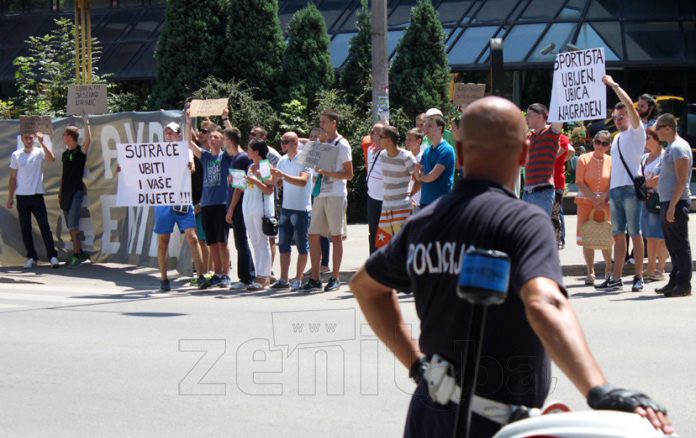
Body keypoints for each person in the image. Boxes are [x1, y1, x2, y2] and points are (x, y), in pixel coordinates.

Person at [350, 96, 673, 437]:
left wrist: (418, 366)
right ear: (523, 154)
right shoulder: (523, 223)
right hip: (492, 424)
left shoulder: (424, 224)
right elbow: (544, 302)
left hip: (429, 416)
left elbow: (365, 286)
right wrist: (597, 388)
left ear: (459, 154)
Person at [596, 75, 646, 292]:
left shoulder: (637, 131)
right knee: (618, 234)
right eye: (615, 117)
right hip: (616, 190)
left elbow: (628, 105)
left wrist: (613, 84)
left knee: (635, 232)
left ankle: (639, 276)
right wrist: (608, 192)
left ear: (630, 116)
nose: (617, 119)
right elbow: (616, 169)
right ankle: (616, 277)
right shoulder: (616, 139)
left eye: (621, 116)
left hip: (629, 190)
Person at [301, 109, 353, 293]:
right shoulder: (321, 143)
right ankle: (315, 278)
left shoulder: (342, 144)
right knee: (313, 234)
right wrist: (314, 150)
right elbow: (309, 166)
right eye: (320, 121)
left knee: (336, 236)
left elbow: (349, 174)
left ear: (333, 123)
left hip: (336, 194)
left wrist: (327, 172)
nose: (321, 125)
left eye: (324, 122)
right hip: (320, 194)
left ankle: (335, 277)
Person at [153, 122, 209, 291]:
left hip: (183, 200)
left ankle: (200, 276)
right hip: (164, 201)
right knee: (163, 240)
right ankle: (163, 279)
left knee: (192, 237)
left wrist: (190, 165)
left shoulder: (186, 150)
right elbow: (144, 170)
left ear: (179, 135)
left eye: (172, 133)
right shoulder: (157, 152)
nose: (168, 135)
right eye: (166, 133)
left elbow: (191, 162)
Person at [186, 112, 233, 288]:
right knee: (211, 241)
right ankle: (217, 273)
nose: (212, 139)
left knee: (223, 241)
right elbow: (189, 143)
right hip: (206, 204)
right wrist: (188, 120)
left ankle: (226, 275)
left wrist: (225, 119)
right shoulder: (205, 156)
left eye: (216, 137)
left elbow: (234, 139)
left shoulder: (225, 157)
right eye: (211, 137)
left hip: (221, 204)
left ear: (222, 141)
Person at [8, 130, 59, 269]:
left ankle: (52, 256)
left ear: (34, 139)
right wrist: (10, 197)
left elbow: (51, 159)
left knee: (44, 227)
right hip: (21, 197)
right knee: (25, 229)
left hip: (36, 195)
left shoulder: (39, 151)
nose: (29, 140)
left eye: (31, 138)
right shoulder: (16, 155)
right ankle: (32, 257)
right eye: (26, 138)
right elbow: (13, 177)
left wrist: (43, 143)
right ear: (22, 139)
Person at [655, 113, 693, 297]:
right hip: (667, 201)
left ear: (668, 128)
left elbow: (681, 179)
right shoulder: (670, 147)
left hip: (675, 203)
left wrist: (672, 206)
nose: (656, 131)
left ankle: (684, 284)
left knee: (679, 244)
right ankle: (674, 280)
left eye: (659, 127)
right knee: (672, 245)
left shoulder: (679, 148)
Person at [269, 132, 312, 291]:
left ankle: (298, 279)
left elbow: (303, 181)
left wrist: (282, 176)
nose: (282, 145)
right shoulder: (282, 160)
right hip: (287, 208)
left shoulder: (305, 158)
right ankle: (284, 279)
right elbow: (275, 182)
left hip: (301, 209)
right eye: (282, 142)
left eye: (285, 142)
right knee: (284, 246)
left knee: (302, 246)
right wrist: (257, 176)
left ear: (295, 143)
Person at [575, 131, 613, 285]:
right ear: (593, 142)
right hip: (585, 201)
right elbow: (579, 181)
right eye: (598, 142)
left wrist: (603, 196)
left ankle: (609, 271)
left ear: (608, 146)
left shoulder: (611, 160)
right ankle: (590, 272)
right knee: (587, 237)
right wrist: (593, 197)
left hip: (606, 202)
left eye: (604, 143)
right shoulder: (583, 158)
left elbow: (613, 181)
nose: (600, 146)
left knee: (607, 236)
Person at [240, 139, 276, 291]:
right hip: (248, 207)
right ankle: (259, 274)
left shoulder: (266, 166)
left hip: (260, 208)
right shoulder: (250, 166)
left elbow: (269, 189)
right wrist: (238, 182)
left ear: (256, 152)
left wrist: (257, 180)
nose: (247, 151)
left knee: (263, 242)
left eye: (248, 149)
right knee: (254, 241)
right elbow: (248, 188)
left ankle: (264, 276)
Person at [223, 127, 257, 290]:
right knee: (241, 242)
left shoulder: (240, 158)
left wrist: (230, 210)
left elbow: (240, 187)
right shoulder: (237, 158)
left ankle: (246, 277)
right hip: (239, 206)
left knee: (241, 242)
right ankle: (249, 274)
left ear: (229, 141)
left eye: (224, 139)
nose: (223, 143)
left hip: (240, 206)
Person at [375, 126, 417, 249]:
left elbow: (418, 179)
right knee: (382, 244)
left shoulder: (406, 157)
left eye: (381, 137)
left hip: (401, 207)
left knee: (403, 243)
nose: (378, 139)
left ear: (389, 140)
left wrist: (410, 194)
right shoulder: (382, 155)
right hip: (386, 207)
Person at [59, 113, 91, 268]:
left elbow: (88, 142)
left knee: (73, 225)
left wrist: (86, 123)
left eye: (64, 135)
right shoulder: (65, 154)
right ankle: (80, 253)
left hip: (76, 192)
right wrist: (60, 191)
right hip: (64, 193)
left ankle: (77, 255)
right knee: (70, 226)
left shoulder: (79, 152)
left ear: (70, 137)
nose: (62, 138)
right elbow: (64, 175)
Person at [522, 103, 563, 216]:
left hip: (542, 192)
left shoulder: (551, 133)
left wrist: (559, 96)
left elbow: (560, 117)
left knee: (538, 230)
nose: (526, 118)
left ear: (539, 116)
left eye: (529, 115)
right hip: (527, 192)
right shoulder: (528, 136)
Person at [641, 127, 668, 283]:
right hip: (646, 199)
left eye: (648, 137)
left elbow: (661, 177)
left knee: (660, 236)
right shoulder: (644, 157)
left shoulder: (665, 156)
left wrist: (643, 185)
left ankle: (658, 269)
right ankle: (651, 268)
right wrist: (643, 188)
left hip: (660, 198)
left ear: (657, 139)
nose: (645, 140)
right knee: (650, 236)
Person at [413, 114, 455, 208]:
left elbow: (432, 176)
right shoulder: (427, 150)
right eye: (425, 125)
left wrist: (421, 176)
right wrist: (416, 168)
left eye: (430, 125)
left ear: (440, 128)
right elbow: (418, 176)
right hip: (424, 202)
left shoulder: (446, 149)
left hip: (441, 204)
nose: (426, 128)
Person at [364, 123, 384, 254]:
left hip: (385, 199)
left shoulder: (389, 153)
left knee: (385, 233)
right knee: (373, 232)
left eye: (375, 132)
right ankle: (373, 261)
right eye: (371, 132)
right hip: (372, 197)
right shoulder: (369, 150)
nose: (371, 134)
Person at [552, 134, 573, 248]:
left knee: (556, 213)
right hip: (547, 180)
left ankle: (560, 240)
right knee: (555, 212)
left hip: (557, 181)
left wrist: (562, 160)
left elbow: (571, 151)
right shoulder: (539, 135)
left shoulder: (561, 138)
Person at [405, 128, 424, 211]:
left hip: (420, 201)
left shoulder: (424, 156)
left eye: (410, 140)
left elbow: (419, 180)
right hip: (406, 201)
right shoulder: (405, 156)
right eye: (406, 139)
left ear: (419, 141)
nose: (407, 142)